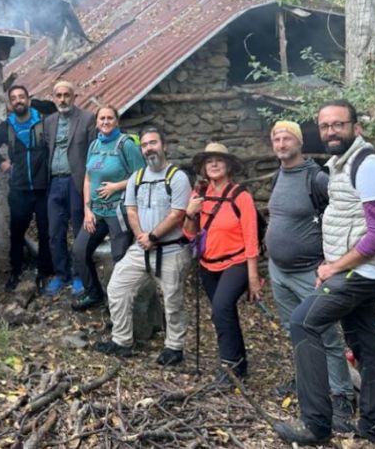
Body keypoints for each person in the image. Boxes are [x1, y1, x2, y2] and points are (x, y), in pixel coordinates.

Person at [274, 100, 375, 446]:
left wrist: (333, 267)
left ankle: (316, 424)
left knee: (303, 322)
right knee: (365, 346)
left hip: (361, 271)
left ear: (355, 128)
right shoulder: (341, 165)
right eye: (325, 126)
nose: (331, 131)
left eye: (338, 125)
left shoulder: (368, 166)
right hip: (357, 269)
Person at [266, 120, 355, 432]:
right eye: (276, 138)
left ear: (299, 142)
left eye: (286, 137)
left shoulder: (316, 177)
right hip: (279, 272)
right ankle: (308, 380)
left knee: (327, 334)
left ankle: (342, 395)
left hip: (310, 272)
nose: (280, 143)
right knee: (297, 332)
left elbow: (341, 218)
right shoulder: (278, 175)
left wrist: (329, 263)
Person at [94, 127, 192, 365]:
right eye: (145, 145)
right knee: (117, 287)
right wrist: (141, 237)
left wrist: (154, 237)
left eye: (153, 143)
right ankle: (121, 340)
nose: (149, 148)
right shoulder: (137, 178)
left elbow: (177, 214)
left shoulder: (177, 177)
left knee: (172, 298)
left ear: (164, 145)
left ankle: (174, 347)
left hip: (170, 249)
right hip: (141, 249)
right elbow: (131, 210)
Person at [182, 143, 262, 382]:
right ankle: (239, 363)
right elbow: (189, 234)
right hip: (208, 265)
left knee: (221, 308)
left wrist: (253, 278)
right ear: (204, 168)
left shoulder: (241, 196)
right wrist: (190, 212)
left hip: (235, 263)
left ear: (228, 166)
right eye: (209, 161)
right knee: (222, 313)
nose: (214, 164)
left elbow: (251, 238)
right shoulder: (199, 195)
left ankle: (228, 367)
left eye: (219, 160)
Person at [71, 105, 145, 311]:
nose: (105, 122)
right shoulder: (94, 145)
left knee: (119, 258)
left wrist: (116, 186)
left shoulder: (126, 145)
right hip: (96, 212)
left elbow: (141, 176)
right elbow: (87, 179)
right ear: (96, 122)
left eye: (109, 118)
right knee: (79, 251)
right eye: (101, 118)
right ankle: (94, 294)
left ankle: (120, 303)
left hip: (118, 212)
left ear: (117, 121)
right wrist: (87, 209)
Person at [0, 85, 54, 291]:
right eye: (13, 98)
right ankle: (15, 272)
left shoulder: (43, 120)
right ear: (10, 104)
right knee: (16, 232)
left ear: (28, 100)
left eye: (21, 97)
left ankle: (45, 271)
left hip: (43, 187)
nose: (18, 101)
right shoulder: (8, 126)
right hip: (19, 189)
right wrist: (3, 164)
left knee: (45, 231)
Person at [42, 80, 97, 296]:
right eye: (58, 95)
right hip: (54, 182)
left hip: (77, 183)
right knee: (55, 232)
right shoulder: (49, 121)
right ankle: (61, 274)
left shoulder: (87, 119)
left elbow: (93, 153)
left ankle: (78, 276)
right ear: (54, 97)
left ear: (74, 96)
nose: (63, 99)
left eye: (67, 95)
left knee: (78, 230)